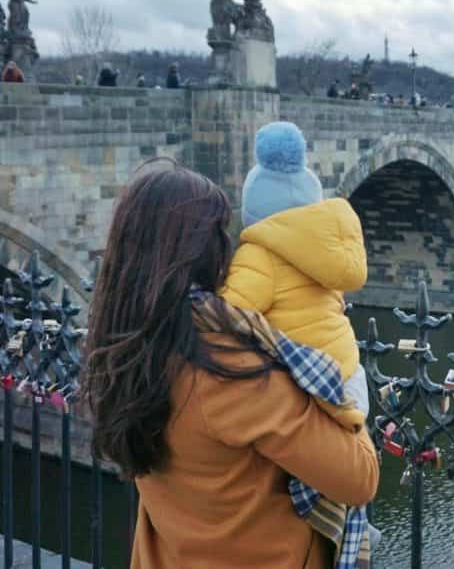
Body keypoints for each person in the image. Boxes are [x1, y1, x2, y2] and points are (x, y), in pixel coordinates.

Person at [82, 159, 378, 568]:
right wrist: (348, 381)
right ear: (200, 251)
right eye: (221, 232)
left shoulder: (125, 347)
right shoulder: (225, 368)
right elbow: (359, 477)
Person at [221, 122, 378, 563]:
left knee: (308, 473)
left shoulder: (259, 255)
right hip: (348, 371)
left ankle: (321, 511)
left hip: (308, 379)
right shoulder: (326, 248)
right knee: (345, 461)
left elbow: (232, 313)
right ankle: (351, 526)